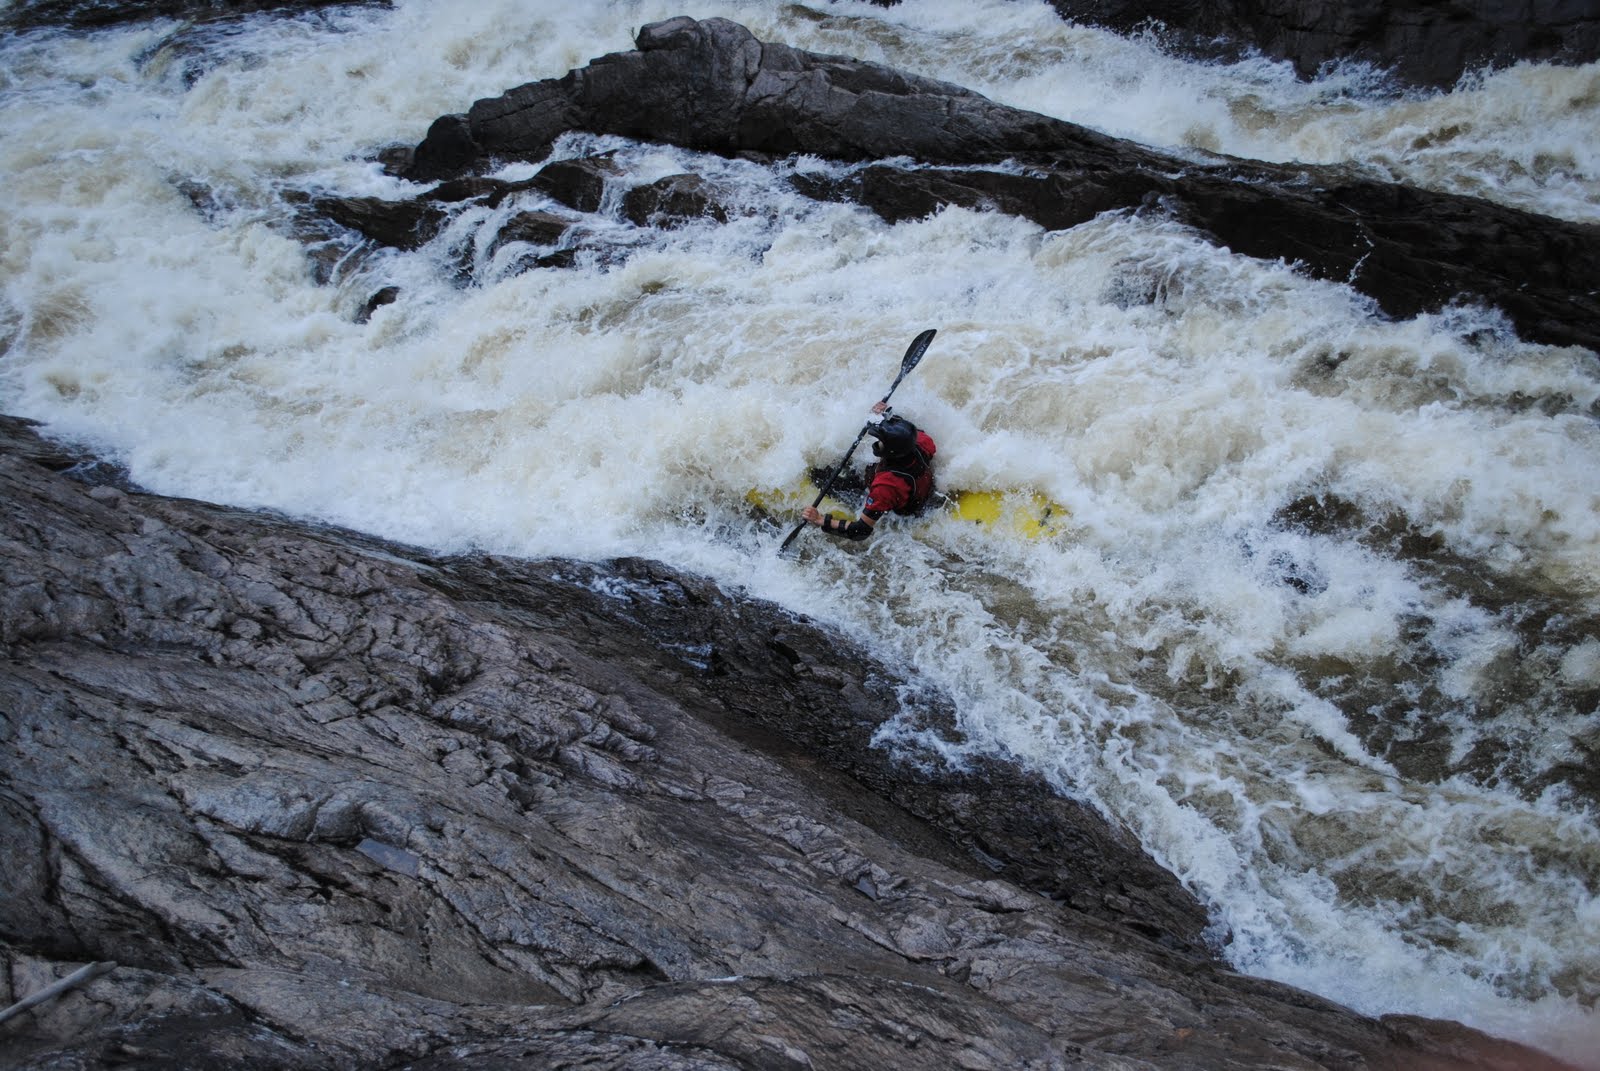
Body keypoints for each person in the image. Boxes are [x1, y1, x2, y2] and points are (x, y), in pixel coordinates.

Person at [802, 402, 937, 541]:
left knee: (819, 476)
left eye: (881, 441)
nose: (877, 442)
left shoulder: (886, 486)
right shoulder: (922, 441)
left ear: (891, 452)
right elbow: (905, 431)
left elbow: (860, 531)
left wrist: (821, 520)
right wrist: (883, 415)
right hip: (913, 489)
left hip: (901, 509)